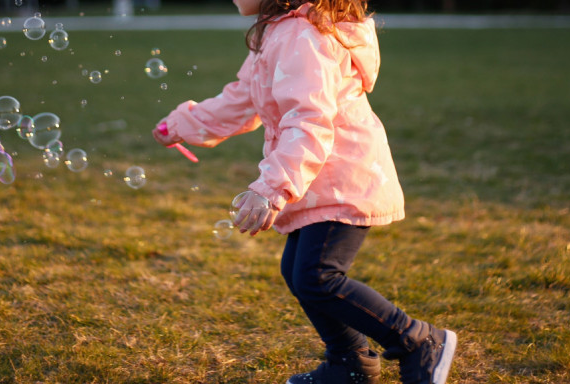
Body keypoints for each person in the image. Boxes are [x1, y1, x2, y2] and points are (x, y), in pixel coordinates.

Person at [152, 0, 457, 383]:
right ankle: (350, 363)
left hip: (340, 177)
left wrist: (270, 188)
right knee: (300, 274)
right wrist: (183, 124)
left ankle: (419, 341)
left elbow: (309, 120)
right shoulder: (281, 30)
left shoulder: (302, 36)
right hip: (316, 179)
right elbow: (242, 98)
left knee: (317, 276)